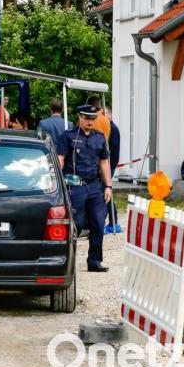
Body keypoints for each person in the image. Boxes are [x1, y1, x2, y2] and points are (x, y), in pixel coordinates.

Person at [57, 104, 112, 272]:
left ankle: (94, 261)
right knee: (76, 224)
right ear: (80, 117)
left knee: (98, 223)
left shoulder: (100, 137)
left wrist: (108, 185)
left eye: (93, 119)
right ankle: (67, 261)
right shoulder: (68, 136)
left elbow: (104, 162)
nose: (90, 122)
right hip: (75, 186)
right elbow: (60, 159)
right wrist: (59, 184)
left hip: (95, 186)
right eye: (87, 118)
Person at [103, 106, 122, 234]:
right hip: (109, 164)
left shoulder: (112, 129)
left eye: (105, 113)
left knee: (106, 192)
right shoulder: (108, 127)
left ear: (110, 114)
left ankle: (113, 222)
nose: (103, 116)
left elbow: (111, 148)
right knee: (106, 192)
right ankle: (112, 222)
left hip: (110, 165)